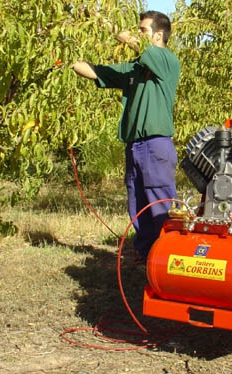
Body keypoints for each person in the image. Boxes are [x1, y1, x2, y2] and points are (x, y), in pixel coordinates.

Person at [72, 11, 180, 260]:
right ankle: (145, 257)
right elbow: (97, 72)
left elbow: (132, 41)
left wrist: (103, 21)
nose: (138, 34)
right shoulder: (135, 68)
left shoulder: (166, 61)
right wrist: (66, 58)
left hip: (156, 144)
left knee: (160, 204)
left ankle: (165, 259)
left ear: (159, 35)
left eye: (143, 30)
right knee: (138, 204)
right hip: (134, 146)